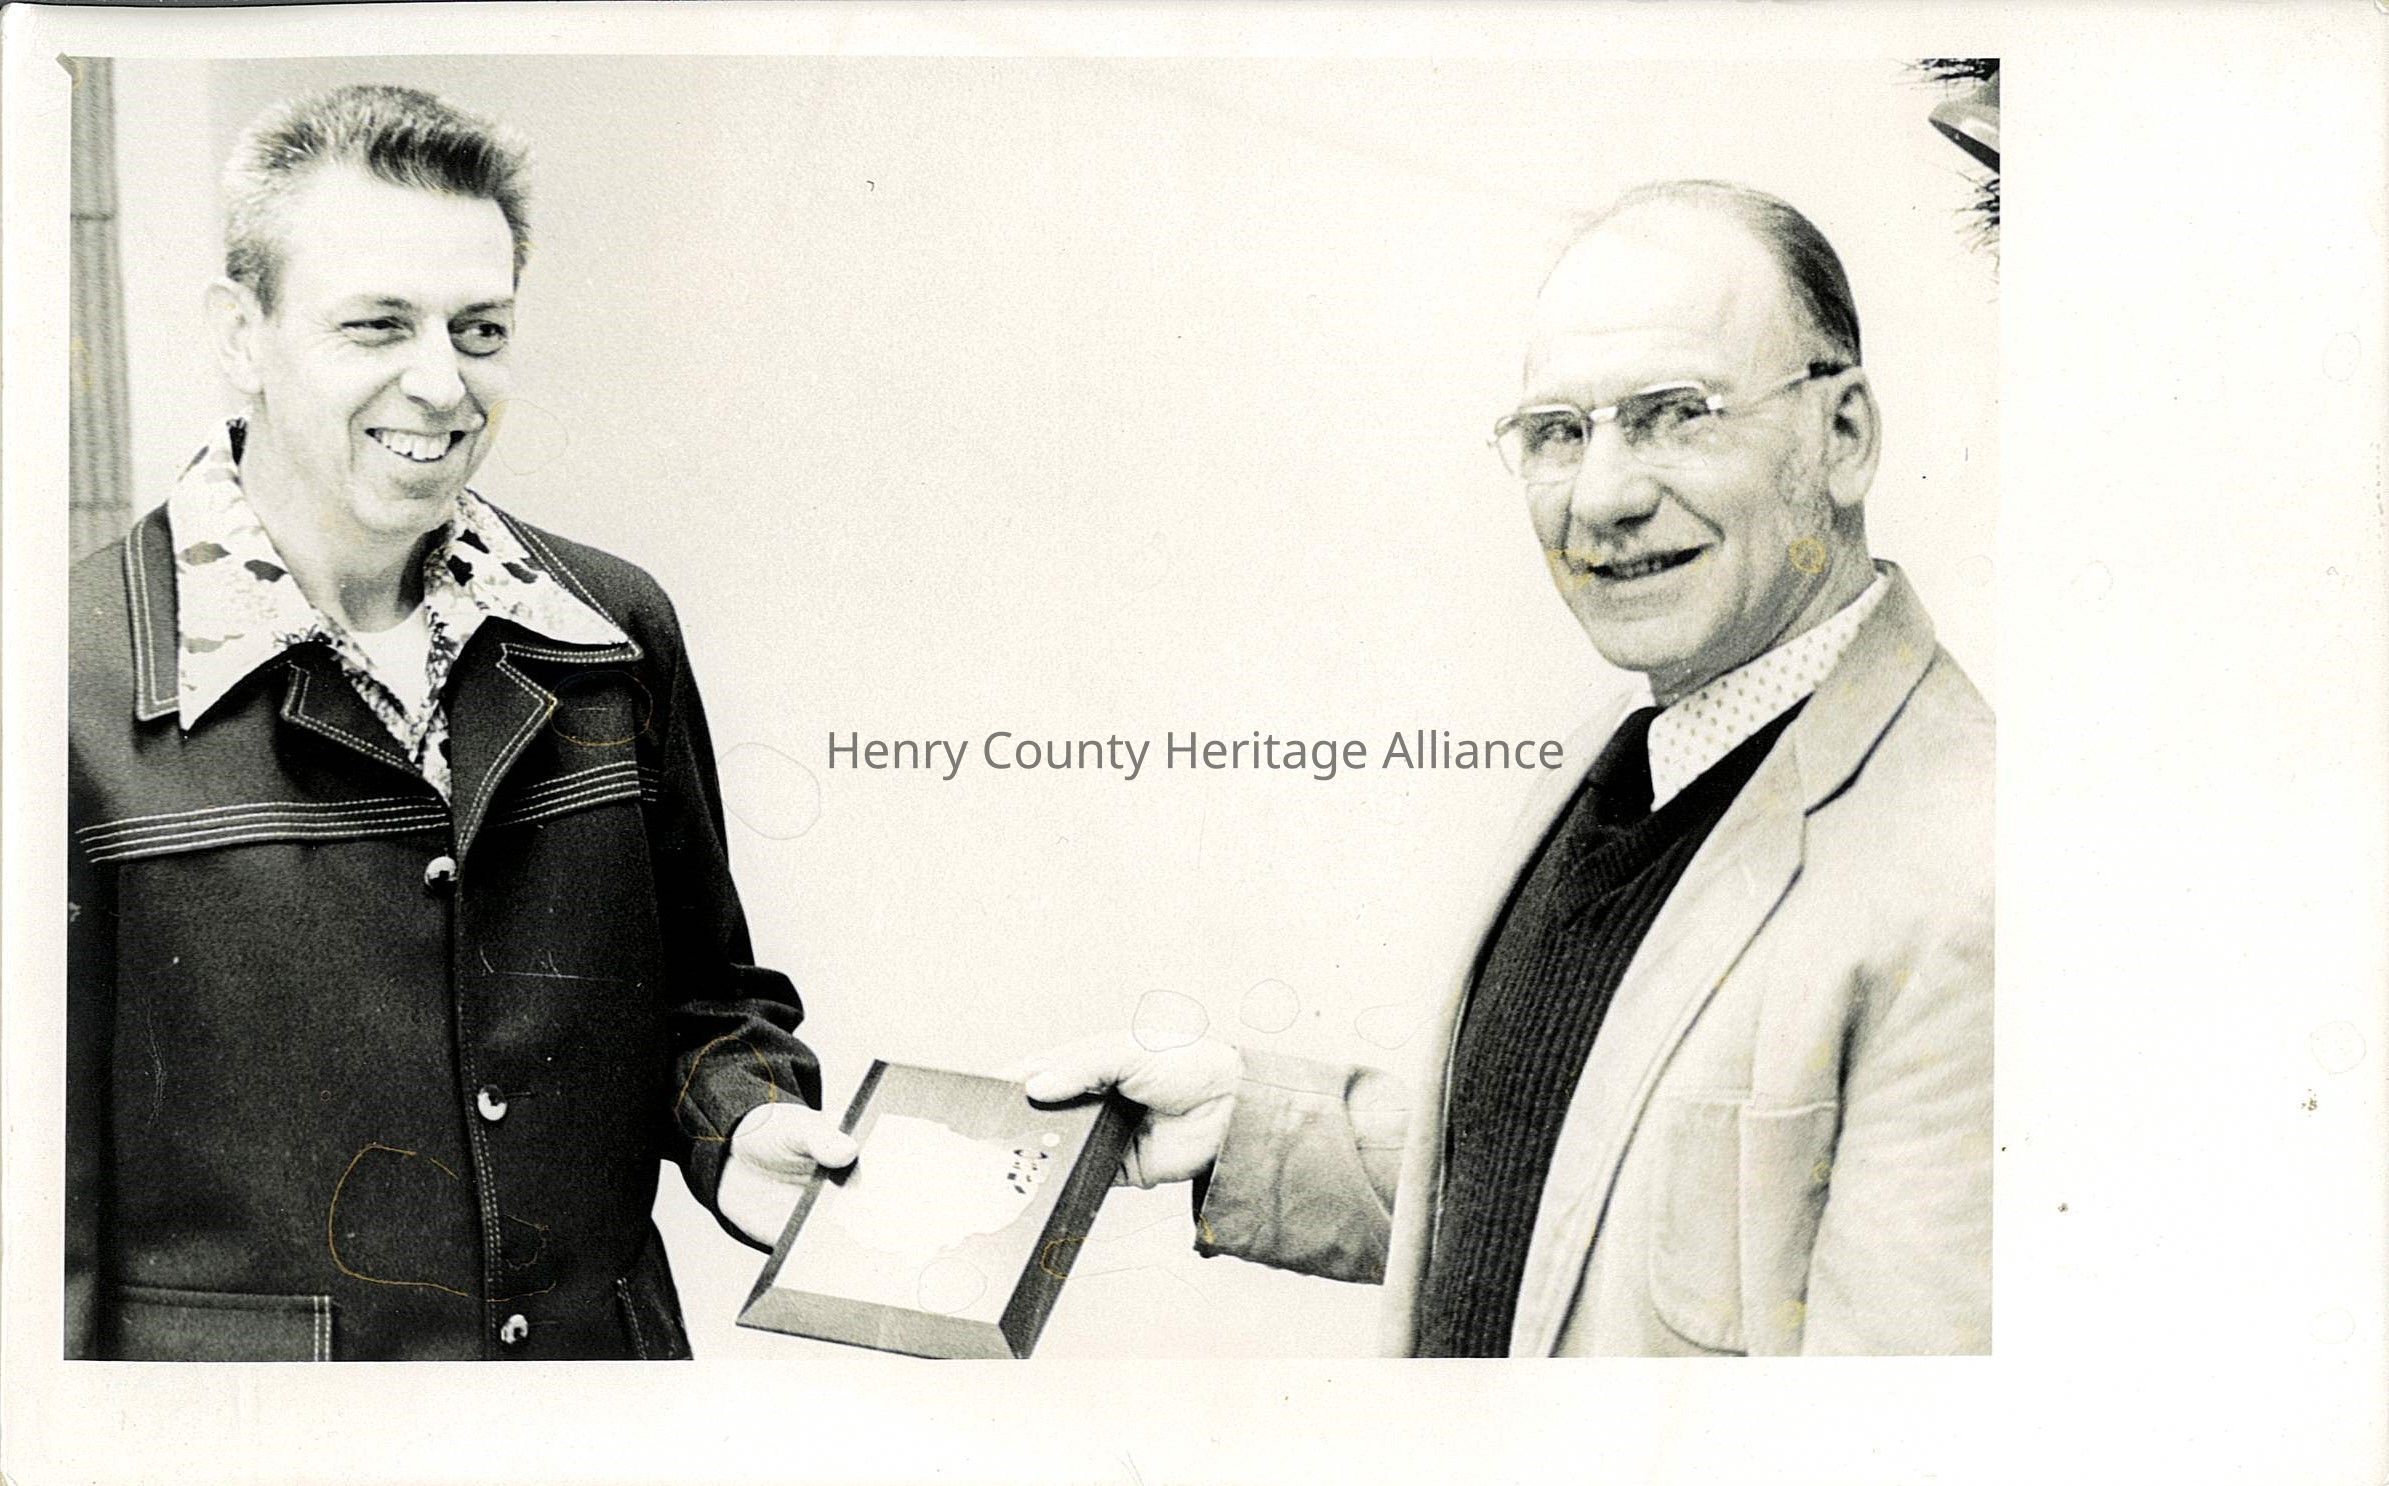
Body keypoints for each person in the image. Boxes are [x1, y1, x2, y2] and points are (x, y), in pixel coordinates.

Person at [1025, 181, 1993, 1356]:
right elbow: (1594, 1173)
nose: (1603, 496)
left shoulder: (1972, 870)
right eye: (1557, 433)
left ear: (1843, 436)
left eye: (1676, 416)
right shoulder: (1641, 752)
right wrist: (1247, 1124)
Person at [65, 84, 855, 1361]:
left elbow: (709, 1000)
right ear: (239, 334)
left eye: (479, 330)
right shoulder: (54, 676)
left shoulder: (612, 627)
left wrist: (741, 1122)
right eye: (376, 324)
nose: (441, 384)